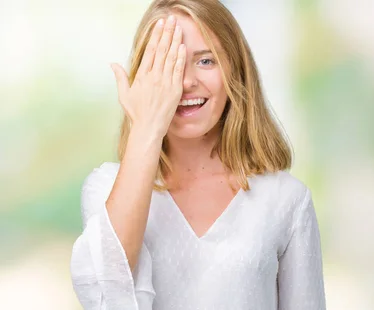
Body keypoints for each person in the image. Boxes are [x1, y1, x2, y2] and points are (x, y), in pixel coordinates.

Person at [69, 0, 326, 309]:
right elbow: (107, 294)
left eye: (205, 61)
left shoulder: (286, 200)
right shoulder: (106, 188)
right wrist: (146, 126)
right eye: (168, 64)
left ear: (236, 70)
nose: (186, 82)